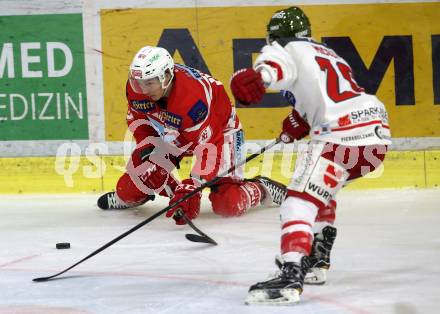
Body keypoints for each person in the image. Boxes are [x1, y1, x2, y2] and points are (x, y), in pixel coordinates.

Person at [230, 6, 391, 305]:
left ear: (274, 35)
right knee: (322, 191)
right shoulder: (329, 54)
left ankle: (291, 274)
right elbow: (326, 94)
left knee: (298, 201)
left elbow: (272, 68)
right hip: (375, 136)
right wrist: (299, 121)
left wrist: (256, 78)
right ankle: (318, 261)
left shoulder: (284, 48)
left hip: (339, 135)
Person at [97, 46, 287, 225]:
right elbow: (139, 121)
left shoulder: (193, 100)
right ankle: (149, 192)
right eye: (138, 82)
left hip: (220, 133)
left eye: (149, 83)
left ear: (166, 77)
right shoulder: (137, 89)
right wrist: (148, 151)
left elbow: (210, 148)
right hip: (172, 133)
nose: (143, 90)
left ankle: (262, 188)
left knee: (228, 204)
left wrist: (192, 186)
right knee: (127, 189)